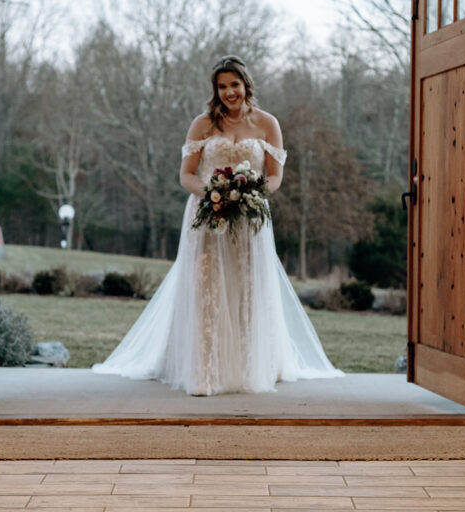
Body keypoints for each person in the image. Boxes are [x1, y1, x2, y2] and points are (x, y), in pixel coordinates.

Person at [92, 55, 342, 395]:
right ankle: (205, 372)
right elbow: (186, 175)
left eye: (234, 85)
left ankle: (248, 367)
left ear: (246, 85)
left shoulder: (268, 124)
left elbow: (275, 176)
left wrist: (248, 195)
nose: (229, 93)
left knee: (247, 286)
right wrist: (214, 196)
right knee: (207, 287)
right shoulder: (203, 124)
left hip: (249, 219)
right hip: (206, 217)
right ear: (215, 90)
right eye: (222, 87)